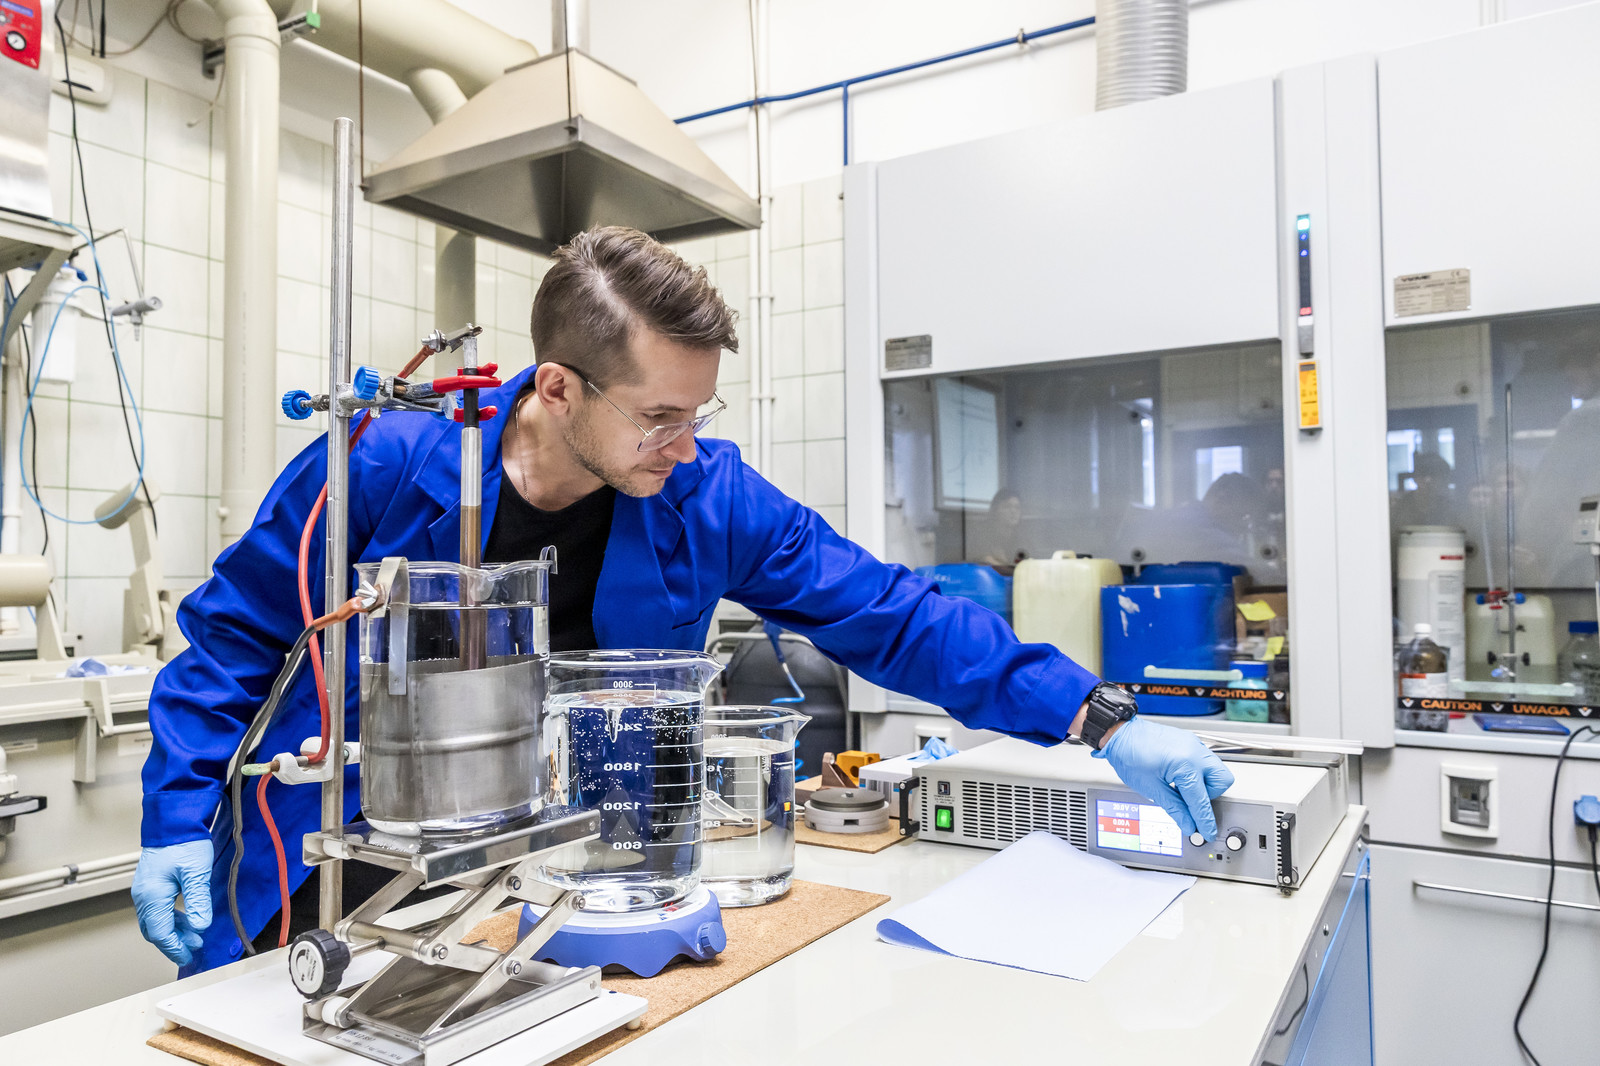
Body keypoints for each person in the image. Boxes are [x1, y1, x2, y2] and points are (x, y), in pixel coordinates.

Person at [131, 226, 1234, 973]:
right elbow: (233, 640)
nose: (687, 442)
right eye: (660, 416)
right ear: (556, 387)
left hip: (570, 878)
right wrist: (177, 820)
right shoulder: (382, 465)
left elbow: (894, 614)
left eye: (699, 411)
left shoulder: (707, 497)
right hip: (342, 868)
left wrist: (1098, 717)